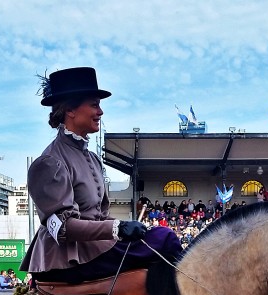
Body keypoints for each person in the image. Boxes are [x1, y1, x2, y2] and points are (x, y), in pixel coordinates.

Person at [20, 66, 181, 284]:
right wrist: (118, 228)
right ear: (70, 110)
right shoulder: (50, 163)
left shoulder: (93, 158)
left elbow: (100, 216)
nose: (100, 112)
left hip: (96, 249)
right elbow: (62, 228)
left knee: (159, 236)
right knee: (166, 239)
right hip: (65, 261)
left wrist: (127, 226)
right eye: (94, 105)